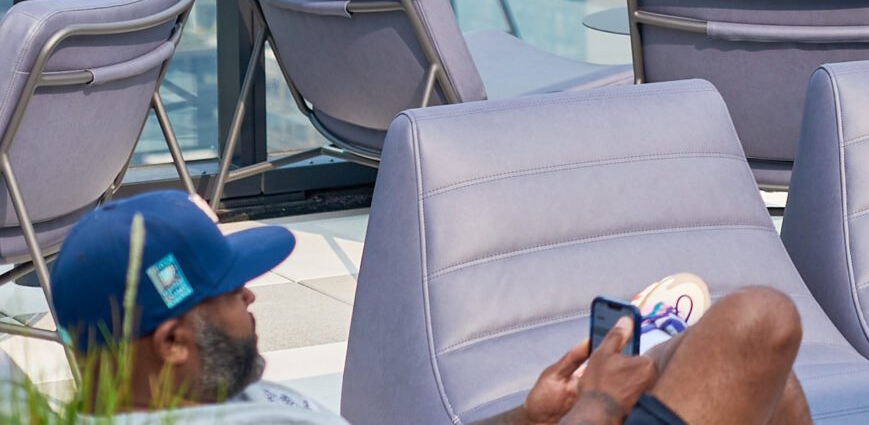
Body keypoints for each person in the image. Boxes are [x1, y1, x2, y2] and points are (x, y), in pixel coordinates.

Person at [51, 190, 811, 425]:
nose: (252, 296)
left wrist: (528, 416)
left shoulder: (209, 394)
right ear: (175, 340)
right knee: (757, 325)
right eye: (229, 293)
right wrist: (601, 407)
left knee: (772, 389)